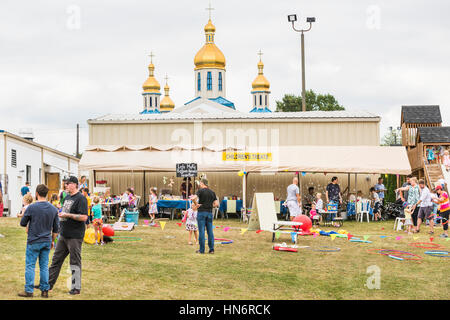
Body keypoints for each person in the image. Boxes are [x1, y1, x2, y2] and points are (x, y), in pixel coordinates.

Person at [48, 176, 88, 295]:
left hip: (75, 236)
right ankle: (48, 284)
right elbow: (64, 213)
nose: (66, 186)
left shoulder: (81, 199)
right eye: (65, 184)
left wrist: (68, 215)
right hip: (63, 234)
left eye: (68, 183)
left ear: (75, 184)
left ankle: (76, 288)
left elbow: (84, 217)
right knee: (56, 260)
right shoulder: (67, 197)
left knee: (74, 262)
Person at [17, 184, 59, 298]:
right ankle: (45, 291)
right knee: (44, 266)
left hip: (33, 240)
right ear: (47, 194)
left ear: (36, 194)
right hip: (46, 240)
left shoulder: (31, 207)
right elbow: (56, 230)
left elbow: (22, 223)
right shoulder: (53, 209)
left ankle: (29, 291)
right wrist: (52, 240)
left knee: (30, 265)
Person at [195, 178, 218, 254]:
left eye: (200, 183)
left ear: (202, 183)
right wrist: (209, 205)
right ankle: (211, 249)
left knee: (201, 231)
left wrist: (196, 204)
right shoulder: (212, 192)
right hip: (209, 213)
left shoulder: (200, 191)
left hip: (201, 212)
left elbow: (194, 198)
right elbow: (216, 204)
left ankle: (201, 250)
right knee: (210, 231)